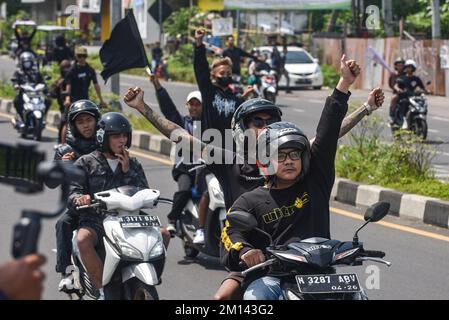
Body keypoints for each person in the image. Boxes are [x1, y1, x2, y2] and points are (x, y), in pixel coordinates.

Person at [122, 71, 385, 300]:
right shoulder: (230, 164)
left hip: (309, 262)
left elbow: (329, 136)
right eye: (257, 123)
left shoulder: (303, 169)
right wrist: (143, 108)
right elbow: (181, 137)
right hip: (256, 260)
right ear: (242, 130)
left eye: (270, 122)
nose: (265, 128)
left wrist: (365, 107)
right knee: (222, 296)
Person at [221, 56, 366, 300]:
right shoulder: (249, 201)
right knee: (254, 298)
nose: (289, 160)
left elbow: (327, 134)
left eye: (294, 155)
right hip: (275, 278)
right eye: (281, 155)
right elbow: (231, 233)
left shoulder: (315, 182)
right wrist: (246, 250)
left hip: (322, 276)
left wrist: (343, 85)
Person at [68, 112, 169, 299]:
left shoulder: (133, 163)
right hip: (97, 218)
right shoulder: (86, 162)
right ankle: (101, 290)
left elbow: (144, 192)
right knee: (83, 239)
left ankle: (148, 277)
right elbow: (73, 192)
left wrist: (126, 170)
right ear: (103, 138)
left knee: (163, 234)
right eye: (116, 136)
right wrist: (80, 198)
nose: (122, 140)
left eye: (124, 136)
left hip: (130, 217)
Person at [148, 75, 208, 240]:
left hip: (207, 169)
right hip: (185, 168)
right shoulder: (182, 123)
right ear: (187, 106)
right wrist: (158, 87)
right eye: (192, 104)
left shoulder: (210, 124)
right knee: (185, 190)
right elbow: (168, 109)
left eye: (198, 104)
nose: (194, 108)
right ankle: (173, 219)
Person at [54, 100, 101, 292]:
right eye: (80, 121)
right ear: (73, 125)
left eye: (89, 120)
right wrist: (61, 166)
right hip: (80, 204)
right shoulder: (65, 150)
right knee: (63, 223)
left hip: (108, 201)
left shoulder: (105, 143)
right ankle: (67, 272)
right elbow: (52, 181)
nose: (86, 125)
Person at [11, 51, 51, 124]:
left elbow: (42, 82)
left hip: (35, 93)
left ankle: (43, 117)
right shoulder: (19, 72)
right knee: (16, 101)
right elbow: (14, 80)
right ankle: (21, 117)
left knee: (48, 101)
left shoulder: (36, 72)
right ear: (22, 62)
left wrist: (47, 91)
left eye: (28, 62)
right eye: (25, 62)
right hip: (24, 93)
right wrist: (16, 85)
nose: (27, 64)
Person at [64, 46, 106, 110]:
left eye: (84, 56)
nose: (82, 58)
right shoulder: (72, 70)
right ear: (76, 56)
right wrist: (67, 99)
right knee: (67, 118)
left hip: (85, 100)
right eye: (80, 56)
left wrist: (101, 100)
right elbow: (68, 85)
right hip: (73, 101)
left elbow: (96, 85)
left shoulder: (90, 69)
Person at [393, 59, 425, 126]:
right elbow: (396, 85)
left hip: (414, 97)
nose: (408, 69)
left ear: (413, 68)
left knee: (423, 102)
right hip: (404, 97)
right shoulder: (402, 78)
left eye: (410, 67)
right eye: (407, 67)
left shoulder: (416, 79)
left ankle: (420, 117)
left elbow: (422, 88)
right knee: (404, 103)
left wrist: (425, 91)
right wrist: (398, 89)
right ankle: (403, 119)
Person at [50, 59, 71, 144]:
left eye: (67, 68)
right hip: (63, 106)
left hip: (72, 104)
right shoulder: (59, 81)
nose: (66, 70)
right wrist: (56, 86)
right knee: (63, 122)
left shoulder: (71, 79)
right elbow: (52, 94)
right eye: (64, 68)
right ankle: (60, 142)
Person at [388, 58, 405, 124]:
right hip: (398, 93)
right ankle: (391, 115)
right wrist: (397, 89)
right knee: (394, 98)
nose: (400, 66)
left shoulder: (406, 74)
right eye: (399, 65)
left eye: (402, 65)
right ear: (396, 66)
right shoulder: (394, 74)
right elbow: (392, 84)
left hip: (407, 93)